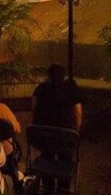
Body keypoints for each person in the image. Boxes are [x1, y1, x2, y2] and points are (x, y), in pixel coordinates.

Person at [31, 64, 83, 195]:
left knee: (46, 157)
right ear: (64, 76)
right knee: (65, 159)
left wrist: (38, 123)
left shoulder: (41, 88)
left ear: (49, 76)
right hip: (65, 137)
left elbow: (34, 108)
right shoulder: (70, 89)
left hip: (44, 135)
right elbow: (78, 112)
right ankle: (63, 189)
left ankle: (48, 189)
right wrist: (76, 131)